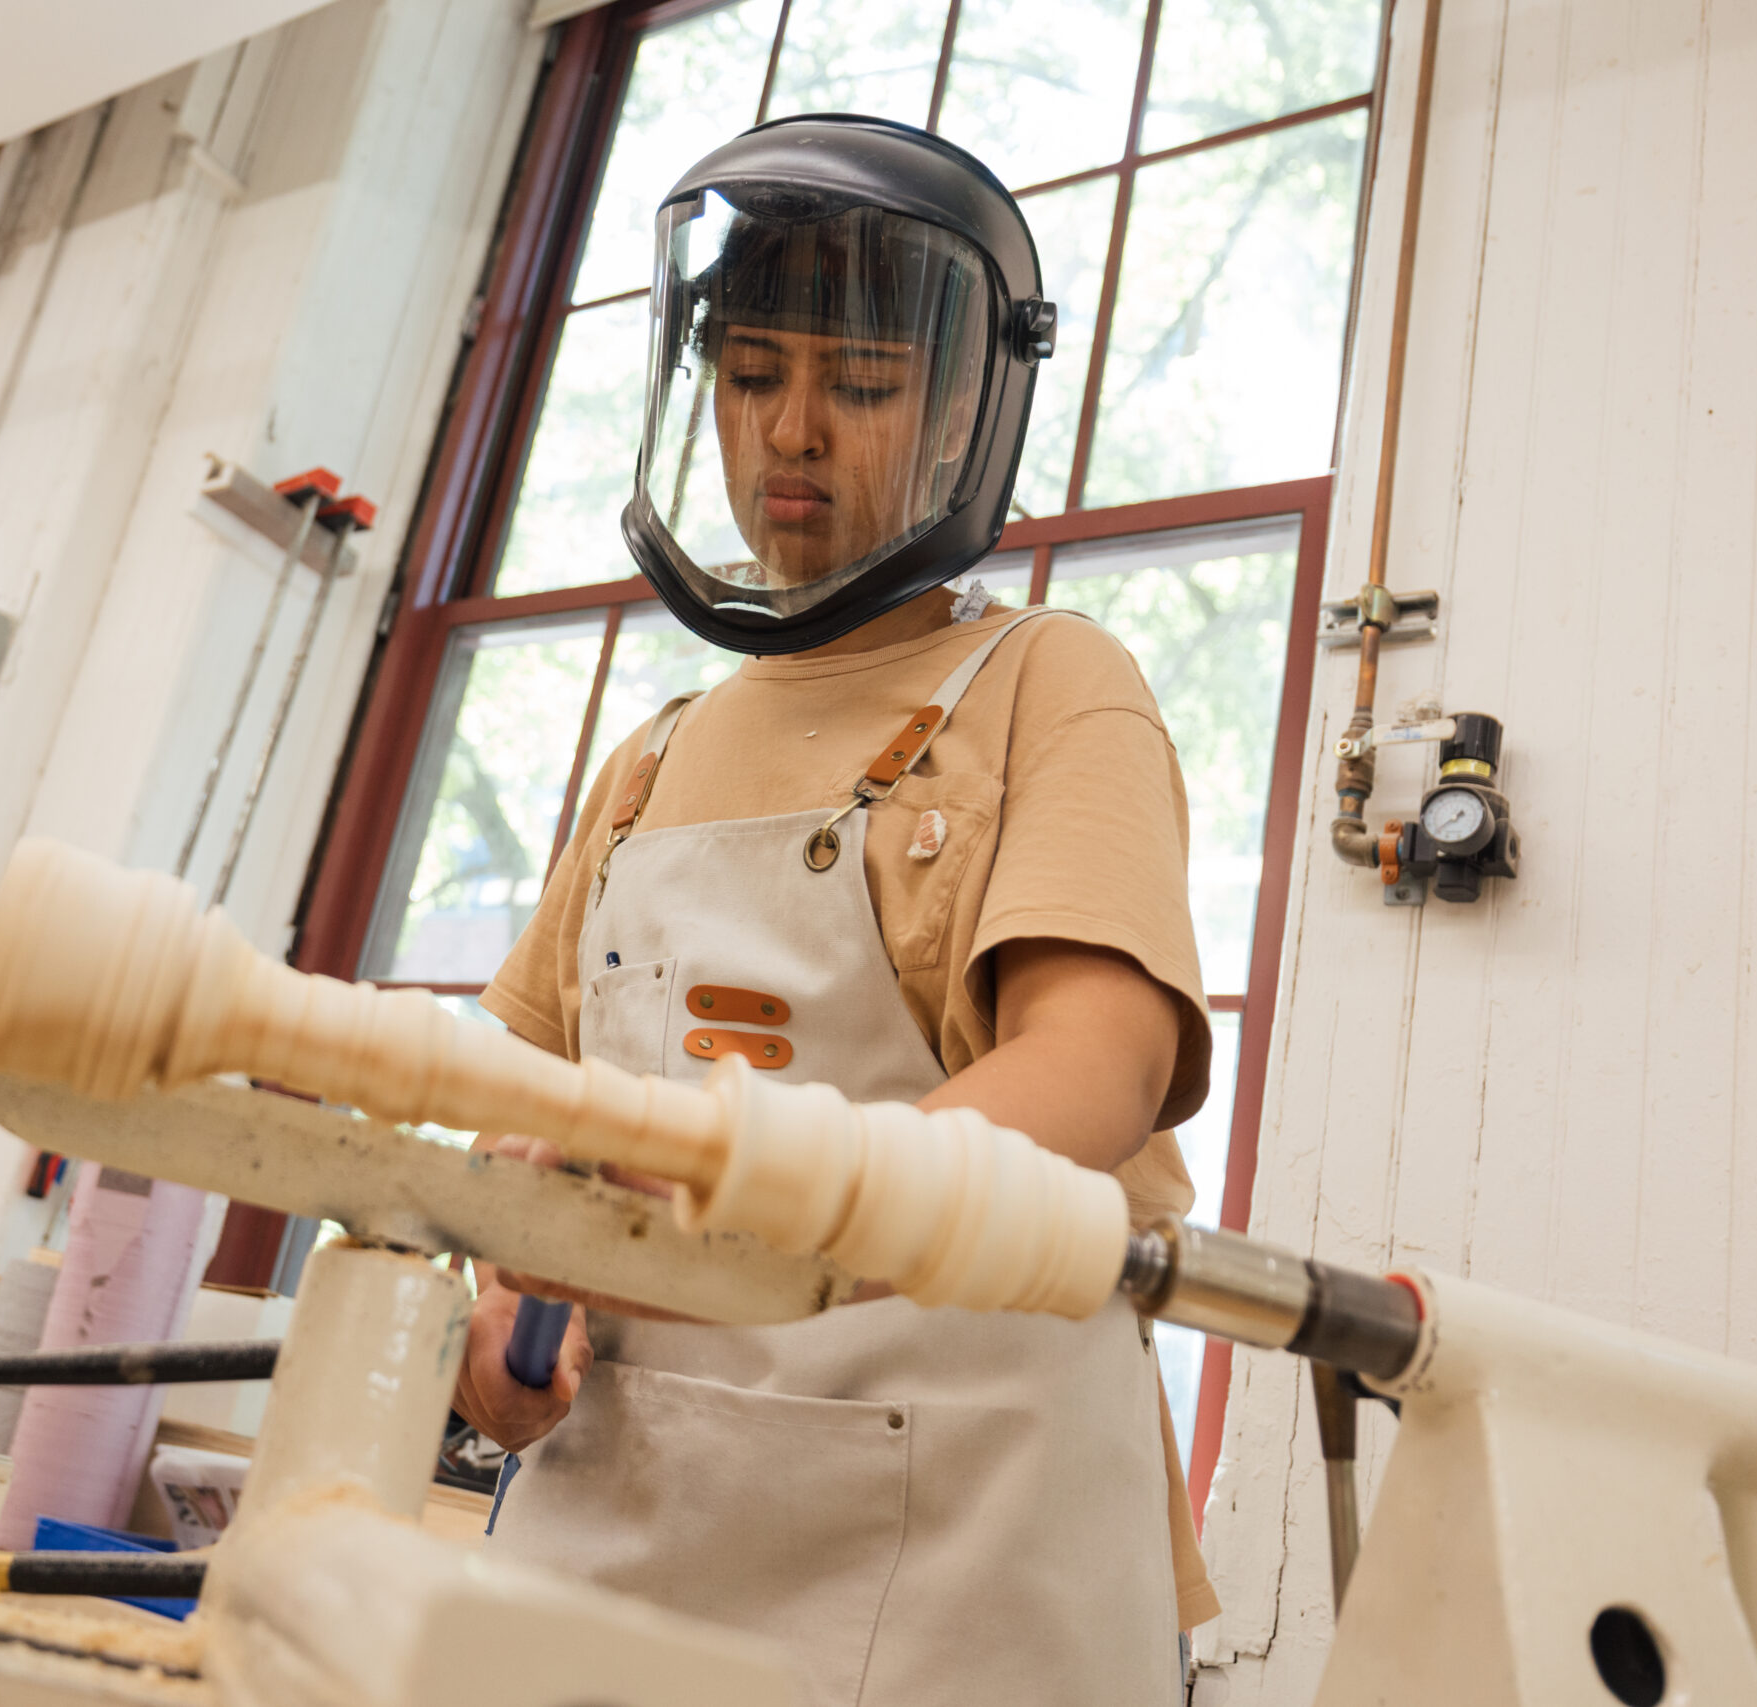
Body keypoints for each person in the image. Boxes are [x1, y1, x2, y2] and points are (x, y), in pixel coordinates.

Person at [453, 113, 1219, 1704]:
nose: (793, 430)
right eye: (751, 378)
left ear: (958, 421)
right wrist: (504, 1304)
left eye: (860, 388)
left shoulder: (1045, 684)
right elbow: (515, 1116)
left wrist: (728, 1207)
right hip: (609, 1543)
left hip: (960, 1560)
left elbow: (1094, 1071)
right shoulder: (649, 763)